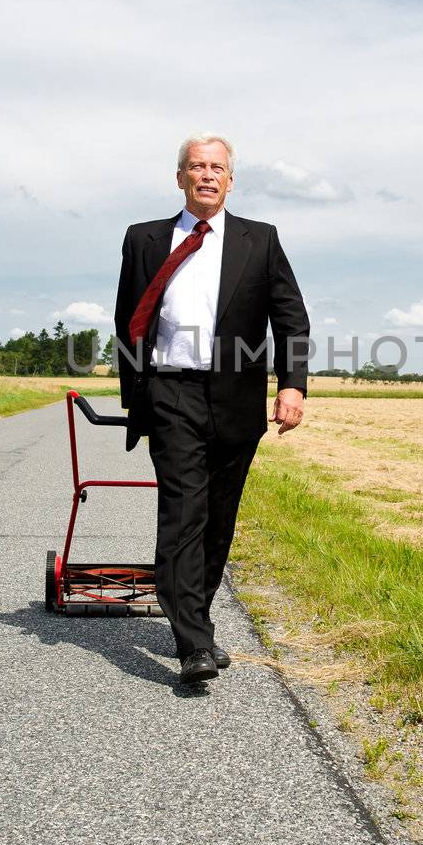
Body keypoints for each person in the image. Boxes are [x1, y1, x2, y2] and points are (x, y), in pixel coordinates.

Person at [113, 132, 309, 684]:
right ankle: (193, 644)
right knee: (182, 516)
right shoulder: (145, 239)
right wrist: (140, 397)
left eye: (216, 168)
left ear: (230, 179)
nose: (206, 176)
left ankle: (196, 618)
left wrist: (292, 387)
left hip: (235, 400)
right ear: (179, 178)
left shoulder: (260, 240)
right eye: (195, 167)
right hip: (171, 392)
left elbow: (290, 320)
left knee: (218, 522)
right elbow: (128, 317)